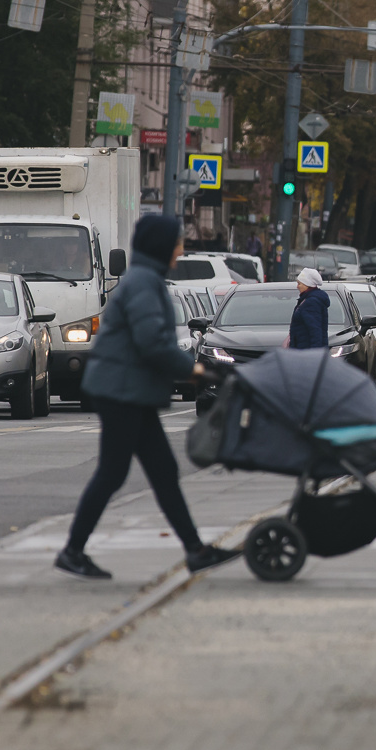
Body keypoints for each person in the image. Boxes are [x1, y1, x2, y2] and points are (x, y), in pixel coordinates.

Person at [57, 215, 239, 581]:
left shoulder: (144, 279)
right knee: (113, 473)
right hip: (121, 391)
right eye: (177, 243)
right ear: (161, 246)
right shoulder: (143, 284)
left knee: (162, 472)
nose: (181, 249)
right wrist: (196, 371)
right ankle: (73, 550)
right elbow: (152, 344)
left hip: (128, 390)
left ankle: (196, 550)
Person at [289, 267, 330, 350]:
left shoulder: (311, 302)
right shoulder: (307, 299)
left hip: (306, 352)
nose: (297, 287)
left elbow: (315, 330)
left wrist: (314, 355)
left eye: (299, 284)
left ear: (307, 285)